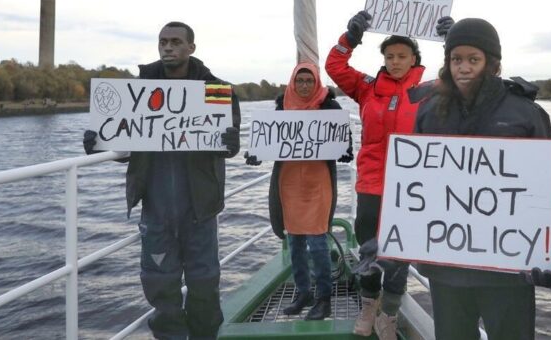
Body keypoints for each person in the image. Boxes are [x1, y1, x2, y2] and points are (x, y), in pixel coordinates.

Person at [83, 21, 241, 340]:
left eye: (175, 42)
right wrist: (100, 140)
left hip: (200, 209)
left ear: (190, 48)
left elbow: (226, 145)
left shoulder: (214, 89)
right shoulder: (136, 91)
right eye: (162, 42)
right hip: (155, 208)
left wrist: (230, 141)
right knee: (159, 284)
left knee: (205, 282)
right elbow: (128, 144)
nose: (167, 47)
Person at [412, 18, 551, 340]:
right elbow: (416, 186)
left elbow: (544, 189)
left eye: (473, 59)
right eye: (457, 59)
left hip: (507, 273)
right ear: (447, 63)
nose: (464, 68)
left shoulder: (525, 114)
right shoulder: (429, 113)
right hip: (447, 269)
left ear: (492, 64)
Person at [325, 11, 452, 339]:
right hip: (371, 183)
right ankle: (369, 305)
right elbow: (334, 67)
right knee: (370, 249)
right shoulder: (367, 88)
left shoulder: (431, 89)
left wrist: (454, 40)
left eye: (402, 56)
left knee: (399, 251)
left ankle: (390, 313)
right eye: (390, 56)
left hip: (410, 187)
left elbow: (469, 77)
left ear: (414, 59)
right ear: (383, 59)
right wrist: (349, 38)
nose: (395, 62)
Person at [244, 62, 353, 321]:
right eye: (300, 81)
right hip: (289, 181)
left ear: (317, 82)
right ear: (293, 82)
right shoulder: (282, 106)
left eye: (309, 81)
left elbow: (343, 141)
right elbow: (269, 140)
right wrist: (255, 153)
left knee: (317, 242)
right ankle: (303, 292)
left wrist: (346, 150)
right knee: (294, 242)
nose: (304, 86)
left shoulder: (330, 106)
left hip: (318, 181)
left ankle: (323, 298)